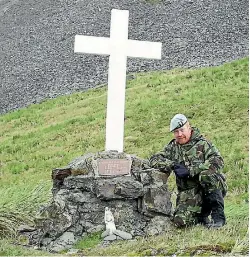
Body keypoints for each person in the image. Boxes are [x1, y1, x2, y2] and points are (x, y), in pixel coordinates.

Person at [149, 114, 227, 228]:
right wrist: (173, 165)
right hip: (189, 192)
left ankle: (218, 218)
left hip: (209, 187)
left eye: (182, 130)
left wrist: (191, 171)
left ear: (189, 128)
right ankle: (201, 217)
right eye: (176, 131)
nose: (179, 134)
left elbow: (218, 161)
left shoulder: (203, 143)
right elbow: (154, 159)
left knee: (207, 175)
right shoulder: (173, 147)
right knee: (180, 222)